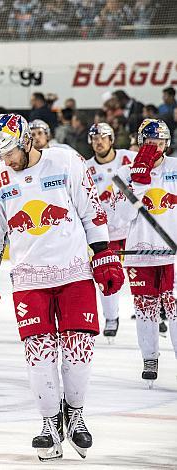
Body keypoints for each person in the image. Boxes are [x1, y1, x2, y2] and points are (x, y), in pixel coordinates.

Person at [0, 114, 123, 461]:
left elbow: (92, 212)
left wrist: (104, 254)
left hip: (74, 274)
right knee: (38, 355)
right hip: (28, 279)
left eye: (9, 152)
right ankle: (49, 421)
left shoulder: (66, 161)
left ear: (26, 141)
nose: (5, 162)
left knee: (79, 351)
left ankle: (75, 413)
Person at [114, 119, 177, 385]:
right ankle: (149, 356)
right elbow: (119, 218)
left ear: (167, 143)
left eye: (160, 142)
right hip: (140, 254)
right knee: (145, 309)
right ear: (141, 143)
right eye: (150, 142)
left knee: (174, 309)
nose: (155, 147)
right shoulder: (125, 173)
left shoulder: (176, 167)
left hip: (173, 253)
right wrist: (139, 181)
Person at [85, 122, 136, 338]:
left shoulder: (128, 158)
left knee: (141, 275)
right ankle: (111, 317)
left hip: (133, 229)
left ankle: (151, 312)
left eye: (103, 137)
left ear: (112, 139)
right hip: (105, 234)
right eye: (95, 138)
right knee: (107, 278)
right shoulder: (86, 168)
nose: (99, 141)